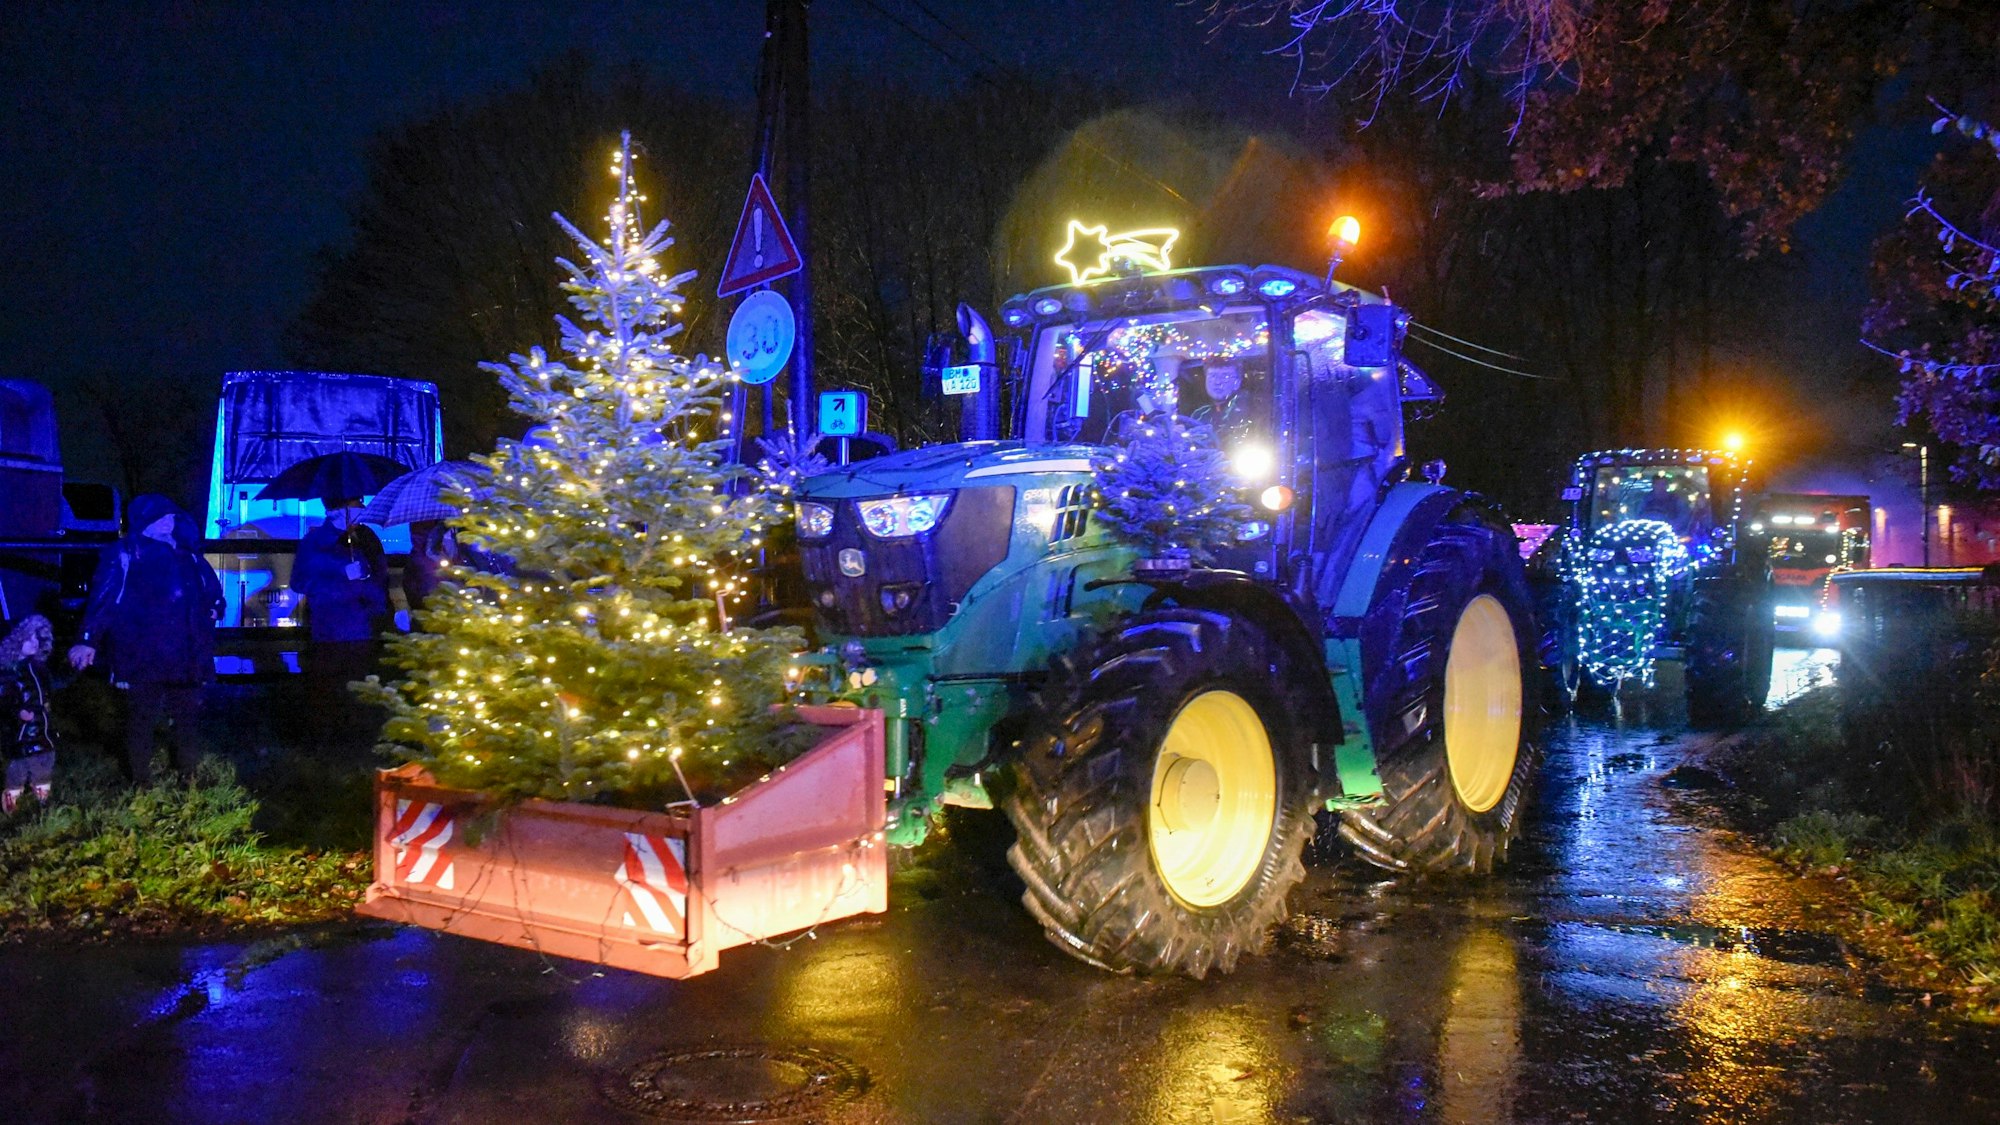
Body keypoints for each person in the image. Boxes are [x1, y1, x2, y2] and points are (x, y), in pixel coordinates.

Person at [69, 495, 224, 783]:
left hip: (186, 652)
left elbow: (212, 591)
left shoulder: (189, 555)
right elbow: (104, 598)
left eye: (171, 516)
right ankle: (141, 780)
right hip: (142, 651)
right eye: (159, 516)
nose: (168, 521)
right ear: (144, 520)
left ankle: (188, 775)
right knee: (141, 717)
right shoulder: (125, 553)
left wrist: (214, 608)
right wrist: (87, 639)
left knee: (187, 717)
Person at [291, 497, 392, 750]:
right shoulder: (315, 543)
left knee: (357, 688)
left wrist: (371, 595)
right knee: (328, 689)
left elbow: (377, 580)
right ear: (339, 510)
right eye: (356, 507)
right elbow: (300, 582)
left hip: (359, 628)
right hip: (330, 629)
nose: (361, 512)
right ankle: (326, 743)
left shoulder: (363, 539)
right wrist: (341, 578)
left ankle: (355, 741)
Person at [2, 615, 59, 813]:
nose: (34, 644)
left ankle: (43, 804)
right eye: (29, 639)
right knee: (17, 770)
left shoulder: (37, 668)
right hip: (20, 733)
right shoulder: (6, 671)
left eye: (37, 639)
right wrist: (16, 712)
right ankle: (11, 803)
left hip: (43, 728)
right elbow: (4, 700)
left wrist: (74, 668)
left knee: (44, 764)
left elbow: (54, 686)